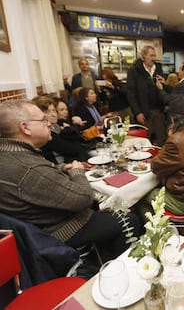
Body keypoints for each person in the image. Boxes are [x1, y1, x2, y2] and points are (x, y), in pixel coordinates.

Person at [0, 99, 144, 262]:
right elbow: (83, 198)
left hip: (34, 228)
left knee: (104, 209)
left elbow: (36, 177)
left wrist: (60, 169)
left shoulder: (9, 153)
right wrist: (77, 171)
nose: (49, 123)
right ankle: (115, 272)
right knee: (128, 220)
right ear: (25, 127)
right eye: (42, 120)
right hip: (57, 230)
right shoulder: (29, 168)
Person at [126, 45, 166, 146]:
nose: (153, 58)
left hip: (158, 111)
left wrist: (164, 83)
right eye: (151, 55)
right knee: (144, 141)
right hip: (143, 111)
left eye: (154, 55)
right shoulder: (134, 71)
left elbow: (162, 88)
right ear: (144, 56)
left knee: (161, 139)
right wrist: (137, 112)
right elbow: (131, 94)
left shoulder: (158, 68)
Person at [32, 95, 90, 164]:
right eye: (47, 112)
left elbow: (77, 140)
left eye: (53, 110)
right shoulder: (44, 132)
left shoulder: (56, 126)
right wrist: (75, 127)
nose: (53, 114)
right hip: (62, 167)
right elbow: (71, 148)